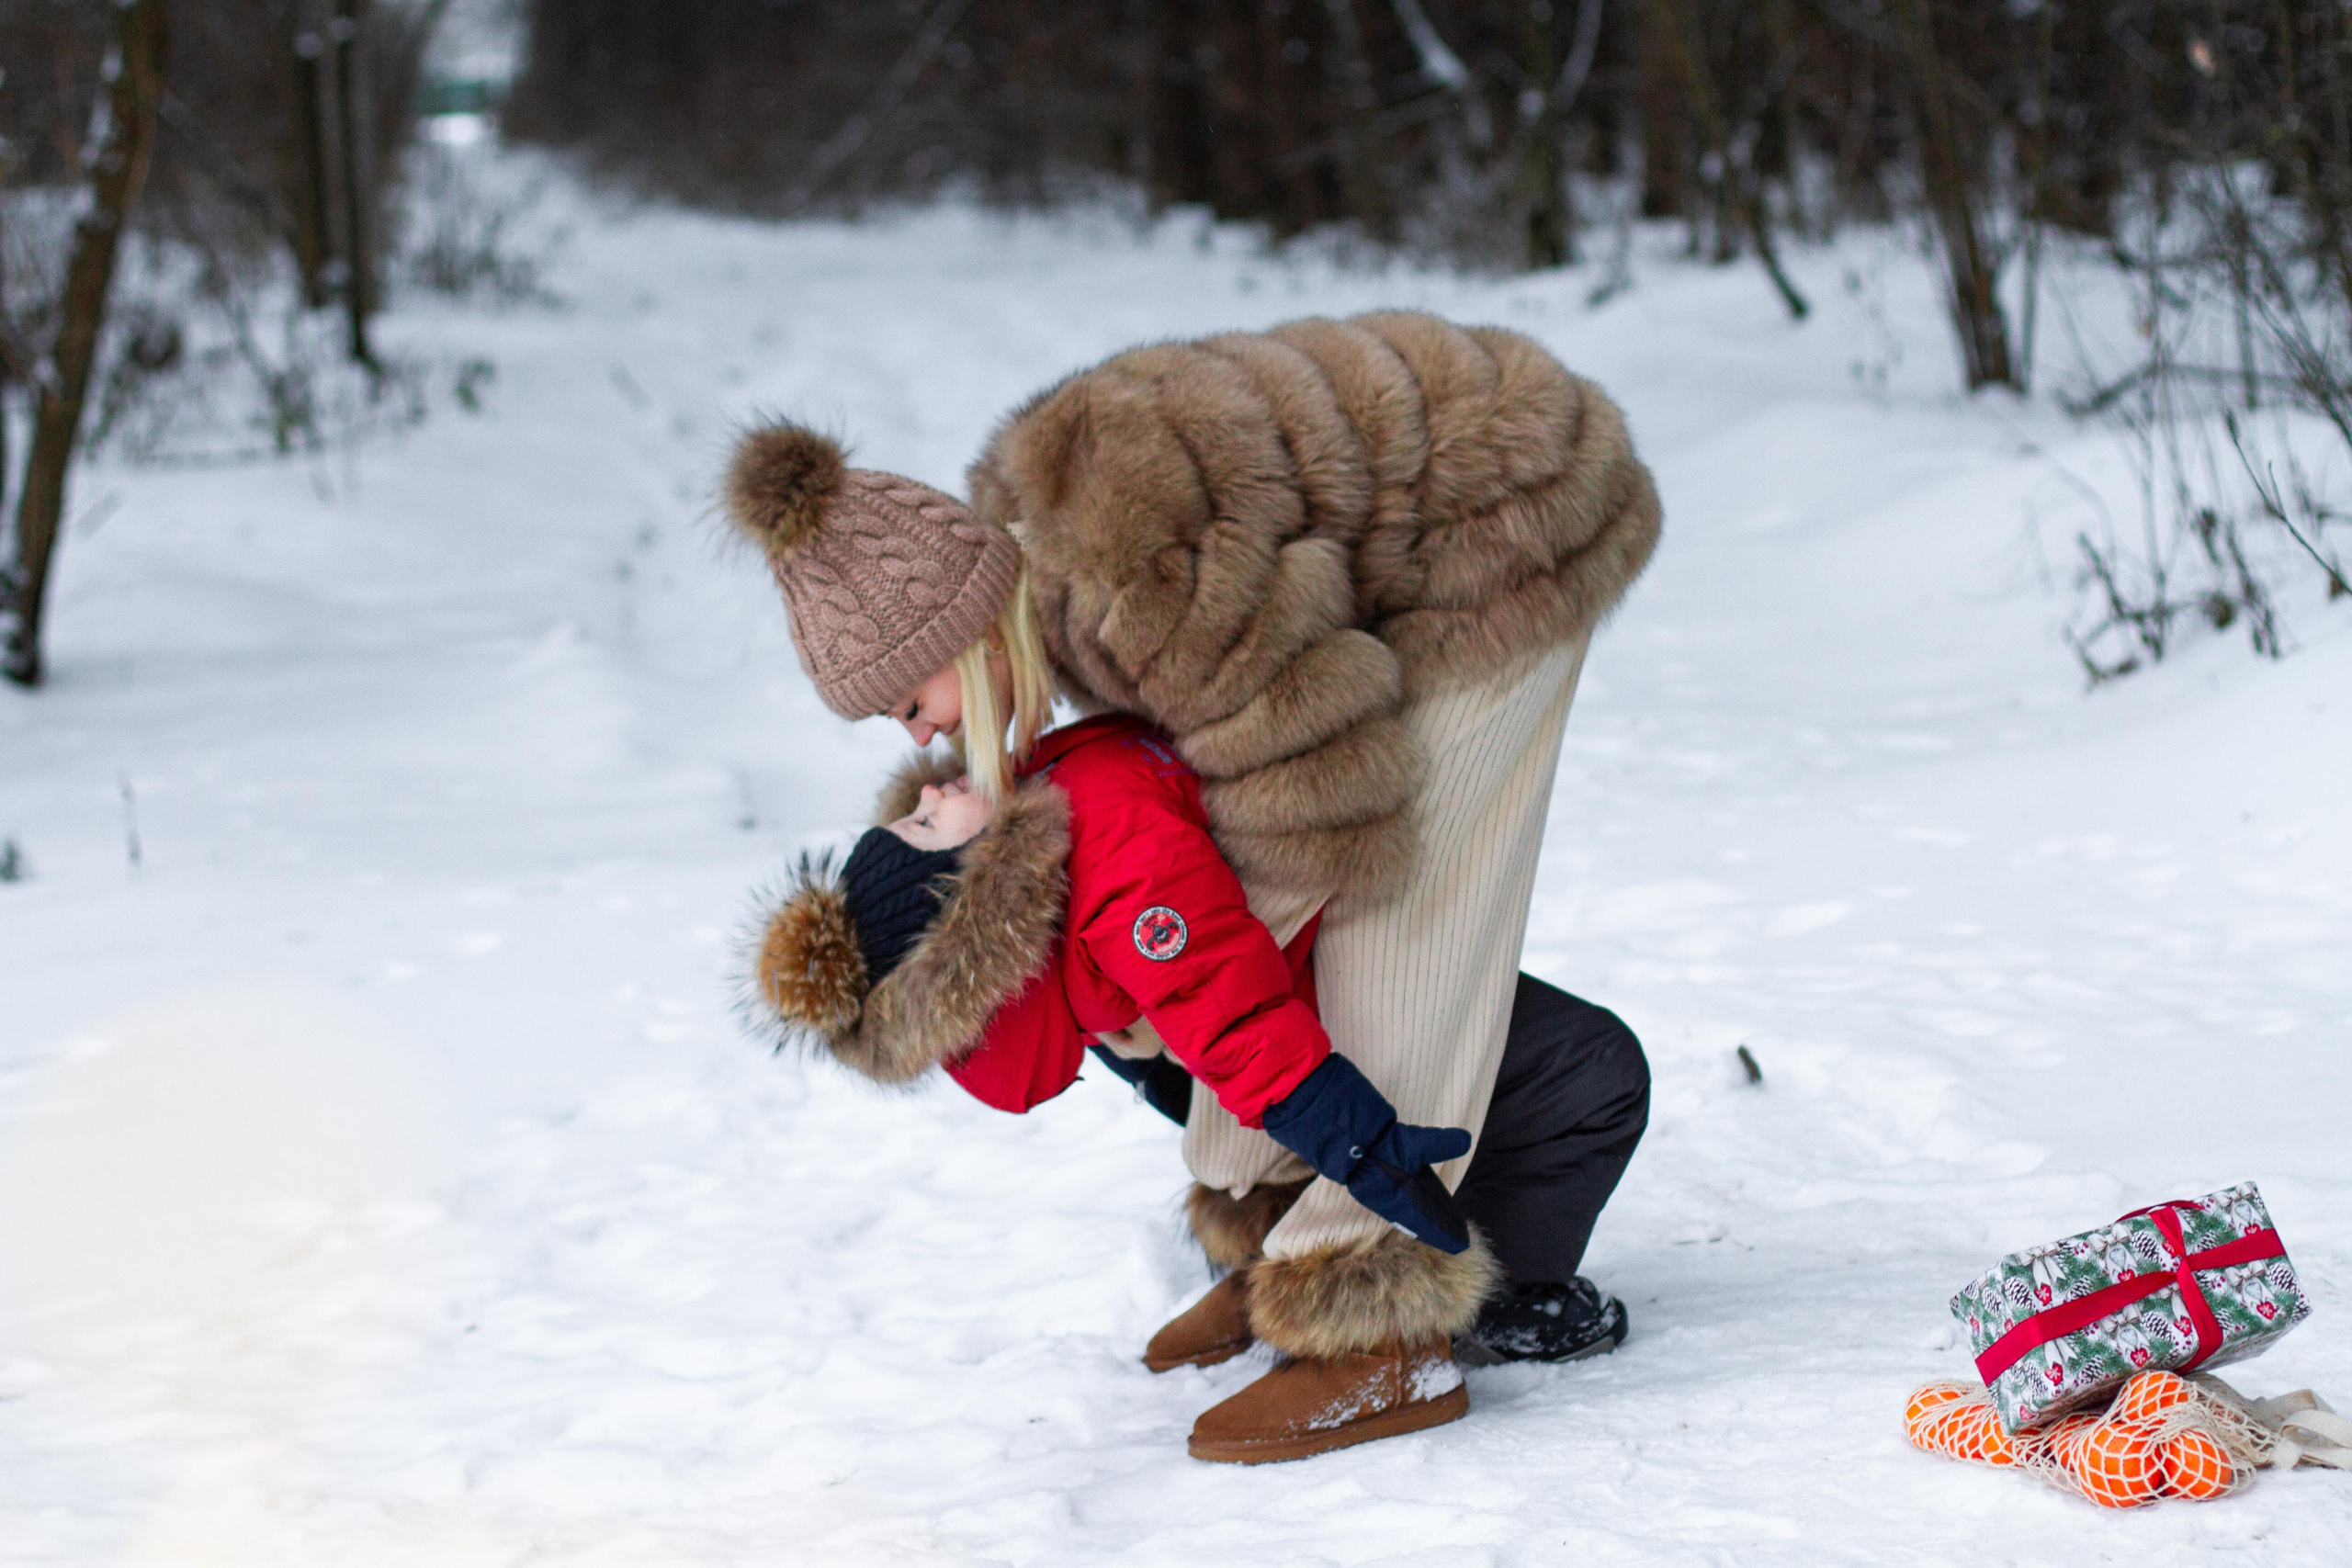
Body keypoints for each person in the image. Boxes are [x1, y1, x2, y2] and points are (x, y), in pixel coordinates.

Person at [729, 310, 1662, 1461]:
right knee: (1211, 940)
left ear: (961, 629)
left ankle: (1369, 1313)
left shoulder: (1137, 581)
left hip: (1506, 516)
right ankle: (1277, 1232)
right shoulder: (1041, 580)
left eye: (901, 699)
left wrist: (1323, 1115)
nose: (918, 736)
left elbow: (1324, 797)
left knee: (1393, 919)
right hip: (1410, 547)